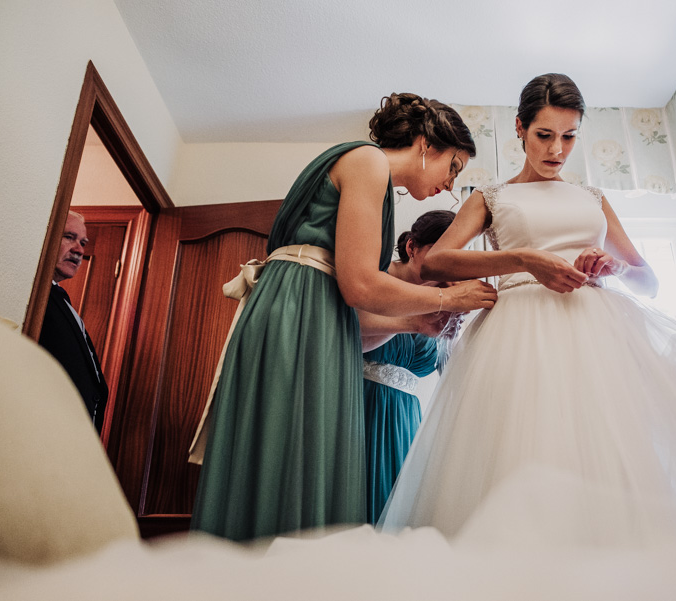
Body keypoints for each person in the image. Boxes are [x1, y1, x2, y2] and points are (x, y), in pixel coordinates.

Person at [378, 74, 676, 541]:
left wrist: (613, 267)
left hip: (597, 333)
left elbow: (649, 280)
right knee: (524, 444)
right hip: (518, 332)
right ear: (519, 128)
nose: (556, 150)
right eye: (544, 135)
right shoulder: (491, 196)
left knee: (606, 450)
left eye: (569, 136)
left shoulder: (592, 197)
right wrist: (524, 260)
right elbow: (436, 261)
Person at [189, 94, 497, 541]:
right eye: (453, 167)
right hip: (302, 305)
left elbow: (355, 315)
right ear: (426, 144)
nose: (450, 185)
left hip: (308, 307)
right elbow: (361, 287)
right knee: (293, 449)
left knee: (294, 450)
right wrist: (448, 299)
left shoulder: (366, 169)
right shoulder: (368, 162)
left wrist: (416, 321)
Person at [359, 210, 457, 523]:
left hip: (404, 417)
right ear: (412, 247)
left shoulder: (442, 295)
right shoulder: (375, 277)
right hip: (362, 406)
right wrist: (413, 319)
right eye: (439, 254)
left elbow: (446, 369)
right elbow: (349, 332)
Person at [38, 211, 108, 435]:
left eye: (83, 243)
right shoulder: (36, 294)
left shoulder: (59, 298)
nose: (79, 250)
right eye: (69, 237)